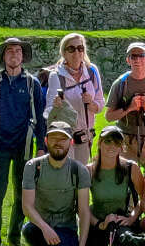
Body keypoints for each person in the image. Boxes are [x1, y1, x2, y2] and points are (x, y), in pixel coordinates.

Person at [0, 37, 46, 246]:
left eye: (18, 51)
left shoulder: (33, 84)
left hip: (24, 146)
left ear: (23, 56)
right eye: (10, 51)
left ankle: (14, 240)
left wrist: (41, 147)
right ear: (4, 56)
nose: (14, 54)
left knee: (23, 196)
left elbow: (40, 118)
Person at [21, 121, 93, 246]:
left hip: (65, 227)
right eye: (54, 138)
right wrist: (45, 228)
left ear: (71, 142)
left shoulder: (79, 170)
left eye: (63, 139)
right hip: (40, 226)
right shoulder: (32, 167)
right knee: (29, 231)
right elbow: (27, 206)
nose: (58, 143)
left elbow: (83, 212)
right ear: (46, 141)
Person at [82, 126, 143, 246]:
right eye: (107, 141)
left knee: (127, 241)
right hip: (97, 223)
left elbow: (144, 199)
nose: (111, 146)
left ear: (121, 146)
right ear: (100, 143)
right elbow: (81, 207)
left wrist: (131, 219)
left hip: (121, 220)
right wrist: (99, 224)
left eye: (116, 142)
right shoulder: (88, 171)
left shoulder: (131, 168)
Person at [41, 32, 104, 165]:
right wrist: (55, 106)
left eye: (80, 48)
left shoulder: (92, 71)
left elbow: (100, 104)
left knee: (81, 176)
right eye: (71, 49)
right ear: (64, 53)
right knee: (65, 176)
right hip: (63, 137)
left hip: (85, 137)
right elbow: (47, 112)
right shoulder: (56, 75)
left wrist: (92, 105)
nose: (77, 53)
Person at [104, 41, 145, 168]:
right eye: (133, 56)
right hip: (126, 141)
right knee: (126, 179)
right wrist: (129, 108)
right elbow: (108, 117)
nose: (137, 60)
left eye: (141, 55)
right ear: (128, 60)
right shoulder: (120, 84)